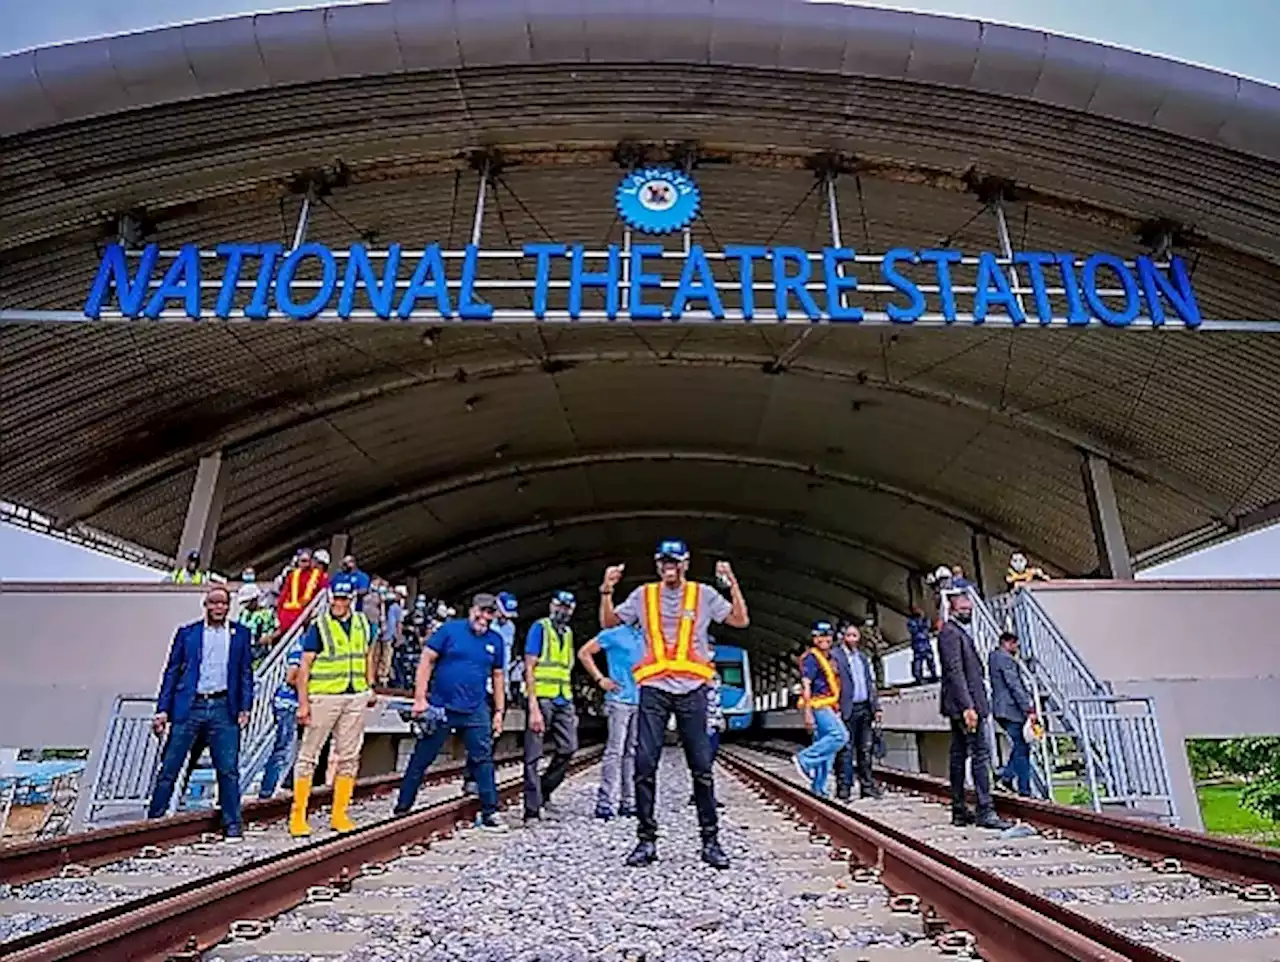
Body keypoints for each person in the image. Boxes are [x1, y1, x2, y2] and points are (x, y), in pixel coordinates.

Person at [599, 539, 749, 870]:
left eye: (675, 561)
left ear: (685, 564)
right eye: (663, 562)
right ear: (657, 565)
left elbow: (739, 620)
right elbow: (610, 624)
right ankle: (646, 840)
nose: (669, 567)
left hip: (693, 689)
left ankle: (710, 841)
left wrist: (731, 582)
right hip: (653, 688)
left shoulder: (703, 594)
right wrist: (607, 591)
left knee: (702, 768)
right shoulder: (643, 595)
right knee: (644, 764)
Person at [393, 593, 507, 831]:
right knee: (422, 758)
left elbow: (498, 676)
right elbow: (427, 659)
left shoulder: (495, 641)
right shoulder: (449, 631)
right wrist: (420, 698)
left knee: (483, 759)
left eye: (490, 613)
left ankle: (490, 812)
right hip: (441, 706)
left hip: (476, 708)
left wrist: (499, 711)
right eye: (482, 611)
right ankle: (402, 809)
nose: (485, 617)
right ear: (472, 609)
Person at [148, 586, 253, 839]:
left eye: (223, 603)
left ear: (229, 606)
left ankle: (232, 824)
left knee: (227, 768)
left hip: (223, 708)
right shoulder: (188, 634)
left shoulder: (240, 635)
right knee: (170, 765)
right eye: (213, 603)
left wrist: (245, 707)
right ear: (205, 605)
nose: (218, 608)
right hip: (190, 707)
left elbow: (245, 674)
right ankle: (154, 822)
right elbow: (172, 672)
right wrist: (163, 710)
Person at [288, 582, 378, 837]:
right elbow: (305, 666)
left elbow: (368, 655)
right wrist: (303, 703)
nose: (339, 604)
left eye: (344, 599)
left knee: (349, 756)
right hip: (324, 696)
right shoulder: (320, 626)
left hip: (355, 695)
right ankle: (298, 815)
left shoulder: (363, 624)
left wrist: (369, 687)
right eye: (336, 599)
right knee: (309, 756)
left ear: (352, 599)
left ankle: (339, 813)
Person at [937, 591, 1011, 830]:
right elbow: (954, 671)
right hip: (966, 706)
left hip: (963, 703)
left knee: (959, 754)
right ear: (952, 609)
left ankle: (959, 809)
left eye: (969, 608)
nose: (968, 612)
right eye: (963, 609)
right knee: (980, 754)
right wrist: (968, 706)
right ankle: (985, 808)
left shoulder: (957, 633)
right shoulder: (950, 633)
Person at [577, 623, 645, 820]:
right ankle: (605, 802)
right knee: (615, 751)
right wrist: (601, 680)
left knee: (631, 751)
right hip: (619, 700)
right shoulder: (614, 633)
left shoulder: (649, 634)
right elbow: (584, 653)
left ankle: (628, 802)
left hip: (640, 700)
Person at [522, 590, 580, 821]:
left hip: (563, 698)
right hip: (543, 698)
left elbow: (566, 668)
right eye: (559, 606)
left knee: (568, 748)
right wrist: (533, 706)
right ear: (551, 605)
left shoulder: (568, 634)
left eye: (567, 607)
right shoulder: (540, 628)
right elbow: (530, 667)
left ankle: (544, 791)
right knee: (533, 756)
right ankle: (531, 810)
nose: (563, 611)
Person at [792, 621, 850, 798]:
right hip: (818, 706)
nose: (824, 639)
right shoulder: (811, 658)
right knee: (840, 736)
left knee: (828, 750)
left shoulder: (829, 658)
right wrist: (808, 713)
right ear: (814, 638)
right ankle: (804, 760)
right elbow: (806, 685)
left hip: (829, 706)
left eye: (827, 636)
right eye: (820, 636)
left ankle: (819, 789)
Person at [831, 622, 882, 800]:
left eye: (855, 635)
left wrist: (876, 707)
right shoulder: (834, 657)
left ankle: (866, 785)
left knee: (865, 749)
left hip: (864, 708)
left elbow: (870, 683)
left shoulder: (862, 658)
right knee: (845, 749)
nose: (853, 639)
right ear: (842, 637)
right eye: (849, 635)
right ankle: (844, 786)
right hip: (846, 708)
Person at [989, 630, 1036, 796]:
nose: (1017, 647)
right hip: (1011, 709)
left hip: (1001, 709)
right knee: (1022, 748)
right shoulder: (1006, 660)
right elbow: (1014, 685)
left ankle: (1012, 780)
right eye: (1015, 644)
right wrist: (1028, 708)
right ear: (1007, 643)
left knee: (1020, 747)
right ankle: (1012, 781)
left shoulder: (994, 658)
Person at [258, 632, 304, 798]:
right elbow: (292, 677)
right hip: (289, 703)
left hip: (287, 703)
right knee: (283, 749)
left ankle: (273, 788)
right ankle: (269, 790)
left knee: (287, 748)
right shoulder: (301, 647)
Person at [277, 548, 327, 634]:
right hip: (288, 615)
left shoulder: (319, 576)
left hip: (306, 614)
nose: (305, 565)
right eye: (303, 561)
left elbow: (324, 594)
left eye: (307, 561)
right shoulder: (292, 576)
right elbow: (283, 596)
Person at [237, 583, 278, 666]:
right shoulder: (243, 613)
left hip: (260, 652)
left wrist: (269, 637)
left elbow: (274, 630)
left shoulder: (267, 614)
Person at [906, 607, 936, 684]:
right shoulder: (911, 622)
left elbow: (927, 627)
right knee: (918, 662)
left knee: (930, 660)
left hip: (925, 644)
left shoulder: (924, 620)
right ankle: (918, 677)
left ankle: (933, 674)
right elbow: (915, 631)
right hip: (918, 644)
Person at [860, 614, 886, 689]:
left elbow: (879, 638)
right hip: (867, 650)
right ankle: (866, 684)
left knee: (879, 667)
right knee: (866, 668)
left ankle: (880, 683)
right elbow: (867, 639)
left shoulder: (875, 629)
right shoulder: (862, 629)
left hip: (876, 651)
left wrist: (880, 643)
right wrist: (875, 643)